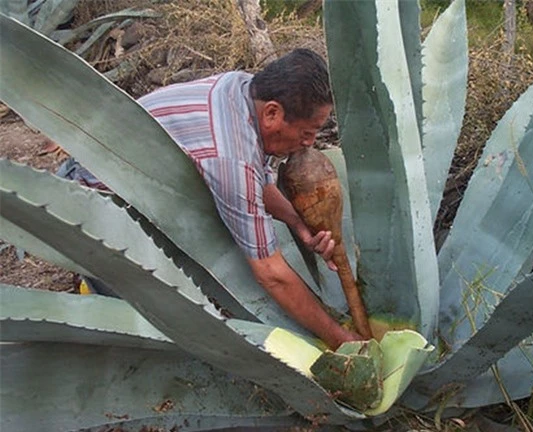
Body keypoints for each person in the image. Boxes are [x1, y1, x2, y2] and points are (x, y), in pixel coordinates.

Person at [61, 49, 360, 349]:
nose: (309, 143)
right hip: (92, 206)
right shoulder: (230, 158)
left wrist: (295, 221)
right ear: (272, 113)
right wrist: (341, 339)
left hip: (129, 177)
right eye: (308, 132)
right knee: (157, 324)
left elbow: (255, 177)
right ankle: (98, 287)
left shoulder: (243, 88)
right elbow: (272, 275)